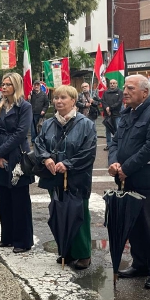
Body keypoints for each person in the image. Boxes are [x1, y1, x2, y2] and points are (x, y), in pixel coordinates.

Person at [108, 74, 150, 290]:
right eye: (124, 87)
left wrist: (126, 167)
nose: (125, 92)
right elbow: (115, 142)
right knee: (134, 226)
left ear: (145, 92)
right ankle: (140, 264)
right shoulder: (126, 114)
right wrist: (114, 162)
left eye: (130, 88)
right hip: (127, 180)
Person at [35, 85, 97, 269]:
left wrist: (68, 164)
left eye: (63, 98)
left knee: (79, 215)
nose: (58, 101)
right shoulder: (48, 124)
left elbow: (88, 152)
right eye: (56, 98)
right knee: (58, 214)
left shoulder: (86, 124)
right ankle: (66, 251)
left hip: (78, 178)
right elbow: (39, 143)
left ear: (73, 100)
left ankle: (83, 253)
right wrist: (45, 158)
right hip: (54, 178)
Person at [0, 72, 34, 254]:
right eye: (3, 83)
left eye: (8, 84)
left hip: (17, 156)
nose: (4, 87)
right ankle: (7, 237)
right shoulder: (0, 106)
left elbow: (21, 133)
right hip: (0, 157)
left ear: (16, 86)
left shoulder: (24, 106)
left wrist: (0, 151)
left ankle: (22, 241)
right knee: (4, 199)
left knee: (20, 200)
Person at [101, 79, 123, 151]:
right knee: (108, 130)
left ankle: (118, 144)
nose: (112, 84)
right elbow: (103, 101)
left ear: (116, 84)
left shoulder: (120, 92)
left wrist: (110, 108)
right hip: (108, 114)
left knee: (117, 129)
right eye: (111, 83)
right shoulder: (105, 92)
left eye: (114, 83)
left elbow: (119, 102)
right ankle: (109, 144)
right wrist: (106, 108)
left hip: (117, 114)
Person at [28, 80, 49, 145]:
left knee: (39, 127)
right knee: (32, 128)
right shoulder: (31, 94)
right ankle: (33, 141)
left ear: (40, 86)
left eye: (38, 85)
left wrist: (44, 110)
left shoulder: (44, 95)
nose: (36, 86)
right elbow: (27, 103)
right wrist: (28, 99)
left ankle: (39, 140)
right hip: (32, 113)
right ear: (33, 86)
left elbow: (46, 104)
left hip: (40, 114)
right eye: (35, 85)